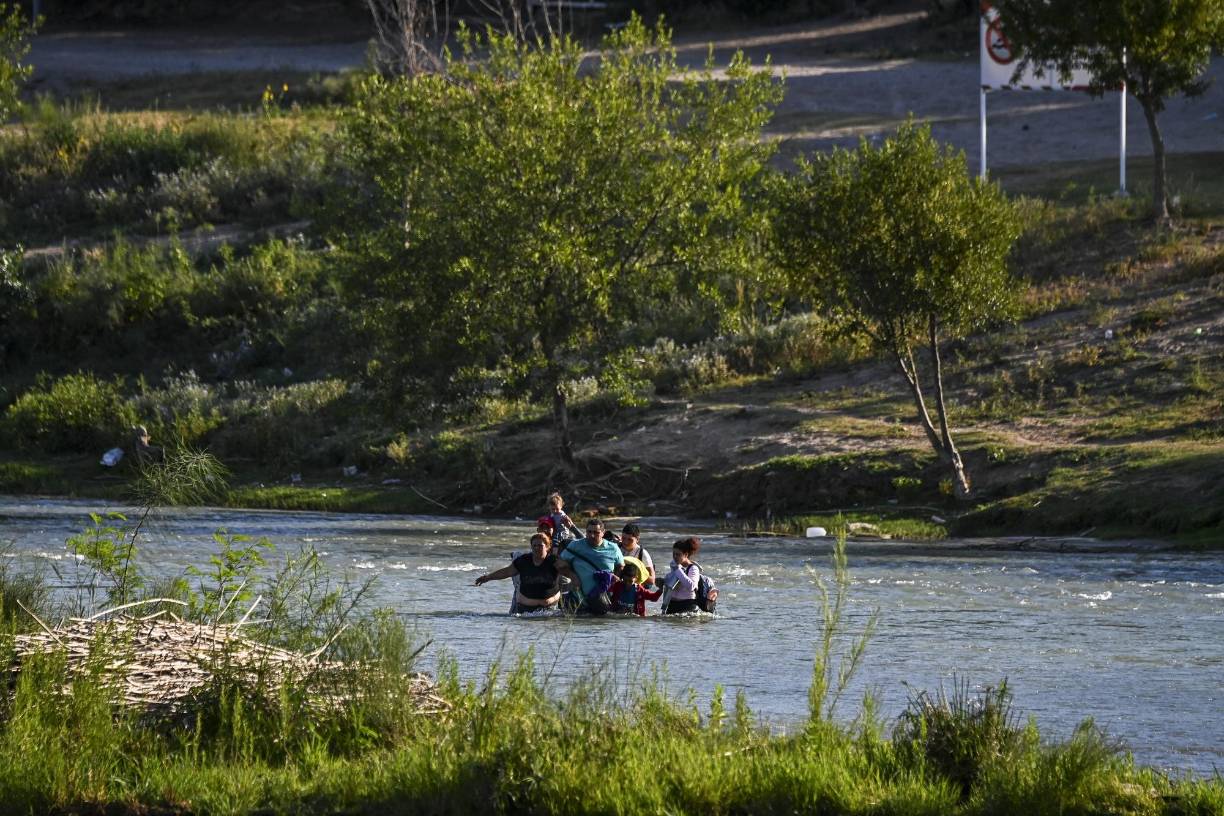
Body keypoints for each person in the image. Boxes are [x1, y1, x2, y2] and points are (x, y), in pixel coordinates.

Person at [474, 533, 561, 613]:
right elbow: (507, 572)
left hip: (549, 610)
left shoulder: (554, 561)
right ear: (531, 547)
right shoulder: (523, 561)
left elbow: (568, 574)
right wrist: (488, 577)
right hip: (524, 610)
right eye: (534, 546)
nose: (536, 548)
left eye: (540, 545)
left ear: (547, 547)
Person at [556, 518, 624, 614]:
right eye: (589, 532)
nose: (592, 535)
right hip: (579, 600)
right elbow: (559, 563)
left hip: (603, 600)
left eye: (596, 532)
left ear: (603, 533)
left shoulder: (613, 548)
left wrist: (615, 580)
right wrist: (572, 576)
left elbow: (621, 566)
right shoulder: (575, 545)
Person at [662, 536, 703, 614]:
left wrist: (677, 569)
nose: (675, 557)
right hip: (672, 605)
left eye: (678, 554)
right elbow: (672, 585)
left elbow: (691, 586)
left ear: (686, 555)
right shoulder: (676, 566)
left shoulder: (693, 568)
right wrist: (663, 581)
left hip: (687, 605)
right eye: (673, 554)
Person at [618, 522, 655, 587]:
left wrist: (637, 570)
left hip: (635, 592)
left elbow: (652, 580)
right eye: (623, 538)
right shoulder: (616, 548)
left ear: (637, 539)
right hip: (618, 590)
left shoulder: (642, 553)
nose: (626, 542)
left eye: (630, 540)